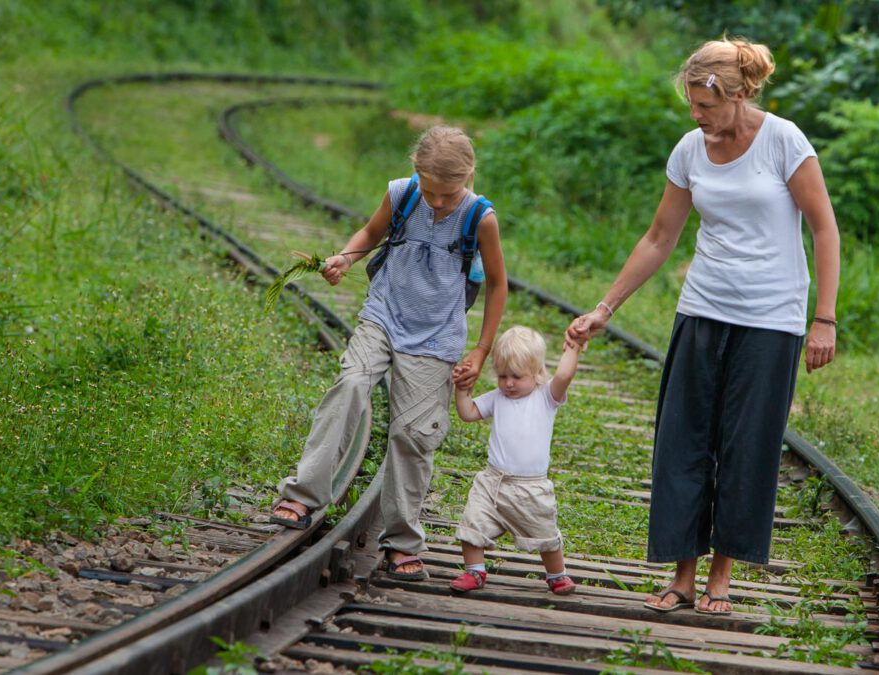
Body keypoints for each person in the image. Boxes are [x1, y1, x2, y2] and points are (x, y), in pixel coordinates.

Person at [567, 37, 840, 615]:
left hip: (770, 320)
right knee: (682, 441)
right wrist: (604, 308)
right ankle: (682, 574)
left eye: (706, 106)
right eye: (692, 105)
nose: (697, 115)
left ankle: (722, 574)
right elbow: (660, 237)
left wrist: (824, 319)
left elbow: (824, 230)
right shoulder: (690, 149)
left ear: (737, 95)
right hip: (702, 309)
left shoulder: (784, 141)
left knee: (746, 446)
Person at [271, 126, 507, 581]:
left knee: (413, 435)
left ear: (468, 176)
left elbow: (497, 285)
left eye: (447, 193)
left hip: (437, 337)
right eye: (430, 190)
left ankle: (401, 540)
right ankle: (304, 493)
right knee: (351, 385)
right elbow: (370, 233)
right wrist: (346, 258)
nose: (437, 201)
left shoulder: (481, 217)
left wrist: (480, 350)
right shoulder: (401, 194)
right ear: (414, 172)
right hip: (383, 315)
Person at [449, 326, 582, 595]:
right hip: (493, 481)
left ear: (537, 374)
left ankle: (557, 574)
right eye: (502, 376)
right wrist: (462, 391)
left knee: (545, 533)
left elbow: (565, 374)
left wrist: (575, 345)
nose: (508, 383)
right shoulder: (498, 398)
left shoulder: (546, 397)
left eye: (517, 377)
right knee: (472, 523)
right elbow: (469, 413)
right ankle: (474, 571)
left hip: (531, 487)